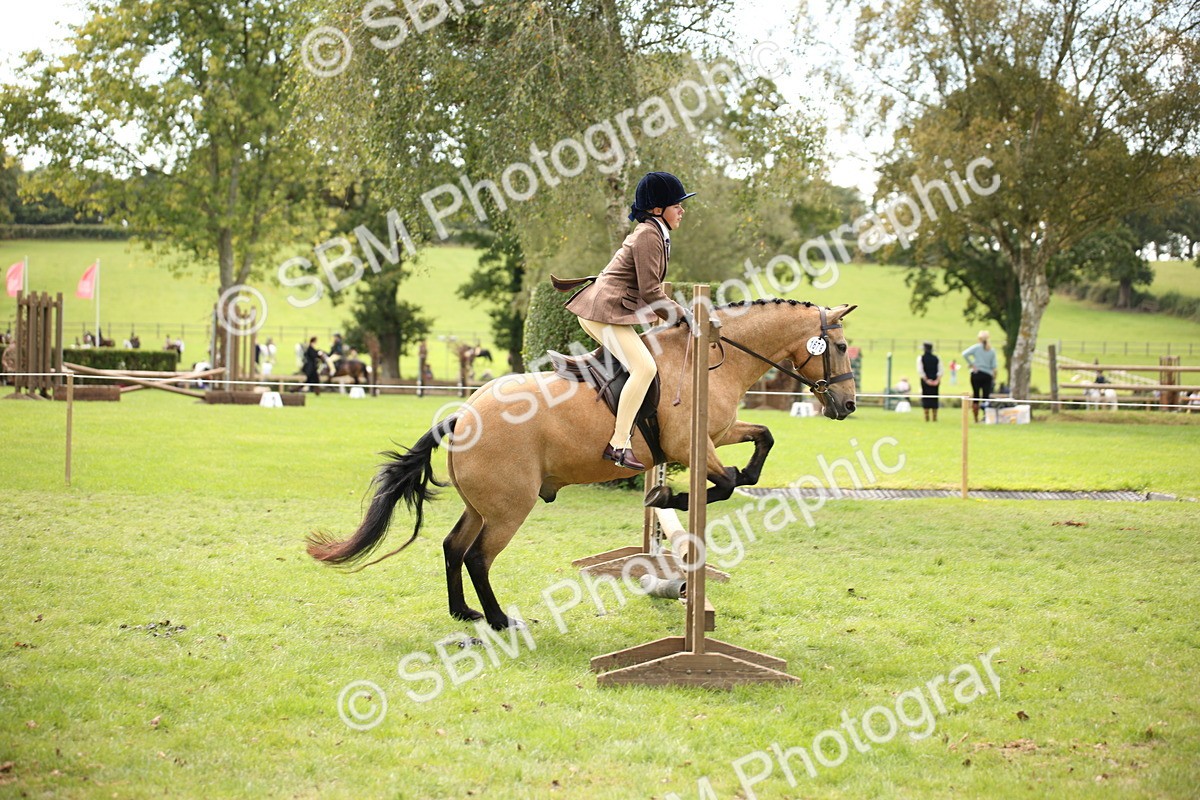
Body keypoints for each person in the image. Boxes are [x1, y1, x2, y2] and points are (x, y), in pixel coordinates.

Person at [551, 171, 695, 470]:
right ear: (657, 209)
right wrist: (684, 315)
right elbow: (650, 291)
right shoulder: (648, 235)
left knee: (642, 363)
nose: (682, 210)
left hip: (608, 312)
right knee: (644, 368)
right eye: (676, 205)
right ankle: (618, 445)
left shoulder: (655, 232)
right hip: (603, 313)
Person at [962, 330, 998, 423]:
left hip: (976, 374)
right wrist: (994, 377)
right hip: (987, 375)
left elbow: (965, 354)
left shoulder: (977, 348)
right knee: (986, 396)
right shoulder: (992, 351)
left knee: (976, 395)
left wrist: (972, 364)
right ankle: (986, 417)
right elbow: (994, 366)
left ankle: (976, 418)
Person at [917, 341, 943, 422]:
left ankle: (927, 417)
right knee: (934, 397)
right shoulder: (937, 358)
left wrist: (926, 380)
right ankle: (934, 417)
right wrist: (937, 380)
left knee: (926, 398)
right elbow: (940, 370)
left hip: (926, 381)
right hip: (935, 380)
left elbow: (920, 371)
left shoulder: (921, 358)